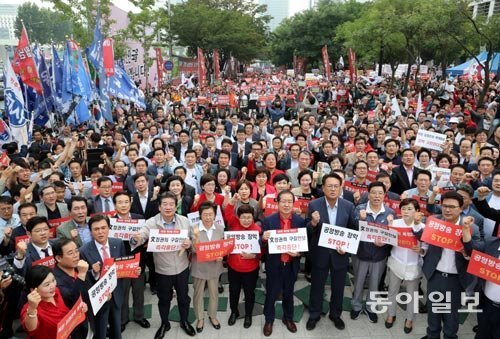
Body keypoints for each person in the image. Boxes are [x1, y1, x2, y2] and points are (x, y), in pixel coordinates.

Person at [130, 192, 195, 338]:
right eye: (164, 204)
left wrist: (190, 243)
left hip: (182, 267)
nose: (168, 207)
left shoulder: (184, 221)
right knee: (164, 299)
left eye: (171, 204)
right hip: (162, 270)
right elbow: (142, 235)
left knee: (184, 298)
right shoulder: (151, 223)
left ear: (176, 206)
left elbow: (193, 239)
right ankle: (164, 323)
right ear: (159, 207)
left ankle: (184, 321)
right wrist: (136, 239)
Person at [413, 191, 475, 339]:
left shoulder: (470, 228)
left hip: (456, 279)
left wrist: (465, 247)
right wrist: (416, 224)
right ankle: (432, 335)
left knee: (451, 315)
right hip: (435, 275)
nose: (447, 210)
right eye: (445, 205)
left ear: (461, 208)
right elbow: (421, 235)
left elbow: (474, 253)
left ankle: (449, 336)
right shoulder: (435, 222)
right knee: (433, 311)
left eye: (452, 207)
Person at [305, 173, 356, 331]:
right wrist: (313, 223)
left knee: (339, 287)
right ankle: (314, 314)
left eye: (336, 186)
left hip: (340, 254)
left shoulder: (348, 205)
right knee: (317, 286)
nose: (333, 189)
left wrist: (346, 247)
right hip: (320, 253)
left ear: (341, 188)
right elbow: (307, 230)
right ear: (323, 188)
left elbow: (353, 230)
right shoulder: (314, 205)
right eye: (329, 186)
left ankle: (335, 314)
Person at [261, 190, 306, 336]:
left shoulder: (299, 221)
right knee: (271, 294)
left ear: (293, 204)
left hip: (291, 265)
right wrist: (264, 238)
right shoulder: (269, 220)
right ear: (277, 203)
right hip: (275, 264)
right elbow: (261, 245)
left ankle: (288, 318)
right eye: (283, 201)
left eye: (289, 202)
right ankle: (269, 320)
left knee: (288, 293)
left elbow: (305, 245)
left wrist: (299, 253)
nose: (286, 204)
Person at [351, 182, 396, 323]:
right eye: (374, 193)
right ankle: (356, 306)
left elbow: (393, 235)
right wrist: (361, 220)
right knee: (358, 282)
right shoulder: (359, 209)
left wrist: (386, 240)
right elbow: (352, 229)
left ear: (384, 195)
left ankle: (371, 308)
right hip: (361, 253)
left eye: (380, 193)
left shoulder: (390, 213)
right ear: (368, 194)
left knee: (375, 283)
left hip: (379, 255)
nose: (377, 196)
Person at [79, 214, 127, 339]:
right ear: (90, 231)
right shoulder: (84, 250)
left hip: (116, 293)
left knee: (117, 327)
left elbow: (123, 265)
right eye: (96, 229)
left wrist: (132, 270)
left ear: (109, 228)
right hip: (99, 298)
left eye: (103, 228)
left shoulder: (118, 243)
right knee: (100, 329)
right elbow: (83, 278)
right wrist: (93, 272)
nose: (100, 232)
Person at [384, 198, 425, 334]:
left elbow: (426, 247)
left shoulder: (423, 227)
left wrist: (421, 250)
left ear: (417, 211)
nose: (406, 211)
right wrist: (389, 227)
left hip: (414, 266)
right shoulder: (395, 223)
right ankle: (391, 314)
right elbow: (387, 241)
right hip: (396, 262)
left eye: (410, 209)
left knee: (412, 295)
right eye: (403, 209)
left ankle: (409, 319)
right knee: (392, 291)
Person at [112, 191, 150, 331]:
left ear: (130, 202)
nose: (123, 205)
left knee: (138, 292)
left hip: (137, 262)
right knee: (123, 293)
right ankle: (123, 319)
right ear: (115, 204)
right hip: (120, 264)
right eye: (120, 202)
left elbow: (145, 239)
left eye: (126, 202)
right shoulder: (110, 222)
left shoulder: (139, 219)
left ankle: (139, 316)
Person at [224, 195, 261, 328]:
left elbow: (262, 249)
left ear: (253, 218)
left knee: (249, 293)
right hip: (233, 268)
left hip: (251, 270)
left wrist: (255, 256)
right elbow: (228, 213)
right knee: (234, 292)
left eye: (249, 217)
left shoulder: (257, 230)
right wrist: (232, 202)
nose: (246, 220)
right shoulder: (234, 224)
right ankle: (234, 312)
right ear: (238, 218)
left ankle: (248, 315)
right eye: (243, 217)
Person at [21, 265, 88, 339]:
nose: (52, 286)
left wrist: (79, 308)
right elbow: (31, 328)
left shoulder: (56, 292)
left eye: (53, 280)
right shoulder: (29, 308)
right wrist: (32, 309)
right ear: (33, 290)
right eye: (47, 285)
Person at [190, 201, 224, 333]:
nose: (208, 217)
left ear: (215, 215)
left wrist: (221, 255)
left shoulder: (220, 228)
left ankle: (213, 315)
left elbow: (222, 246)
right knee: (198, 294)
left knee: (214, 293)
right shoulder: (194, 228)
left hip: (215, 266)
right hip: (199, 266)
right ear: (200, 216)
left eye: (211, 214)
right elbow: (193, 250)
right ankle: (200, 318)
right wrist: (196, 238)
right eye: (205, 215)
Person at [52, 238, 89, 339]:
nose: (76, 255)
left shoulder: (79, 268)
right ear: (58, 258)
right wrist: (81, 275)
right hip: (72, 330)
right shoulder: (54, 280)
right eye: (70, 253)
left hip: (86, 322)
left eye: (76, 251)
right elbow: (72, 300)